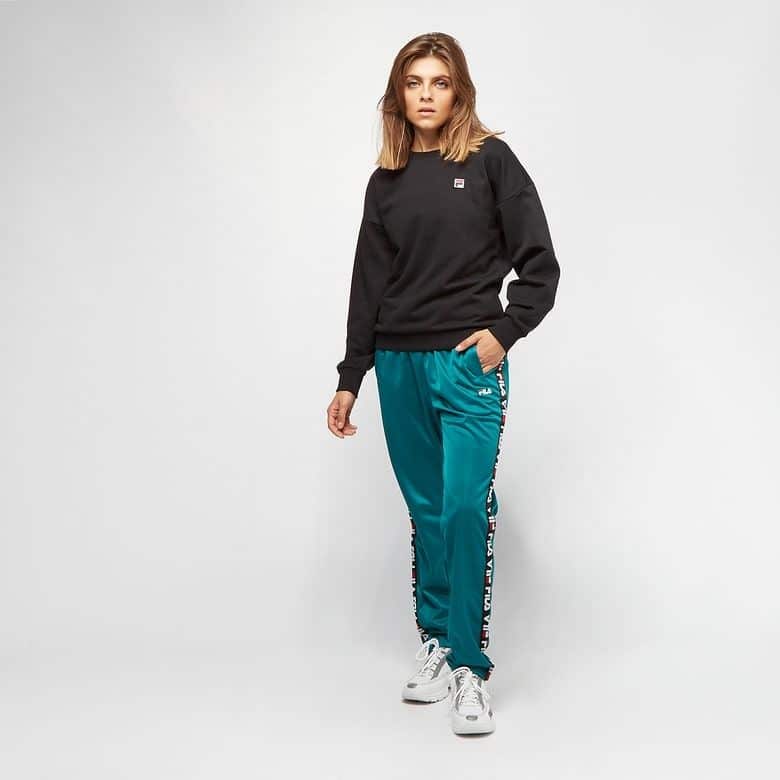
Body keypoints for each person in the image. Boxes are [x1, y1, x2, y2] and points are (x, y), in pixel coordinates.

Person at [326, 32, 560, 736]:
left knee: (463, 507)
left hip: (466, 364)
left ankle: (469, 667)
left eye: (439, 82)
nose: (426, 94)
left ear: (459, 92)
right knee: (427, 512)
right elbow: (368, 284)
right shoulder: (386, 181)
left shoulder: (490, 161)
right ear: (398, 95)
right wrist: (351, 376)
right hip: (398, 362)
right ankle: (435, 641)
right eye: (414, 82)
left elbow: (541, 264)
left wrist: (504, 332)